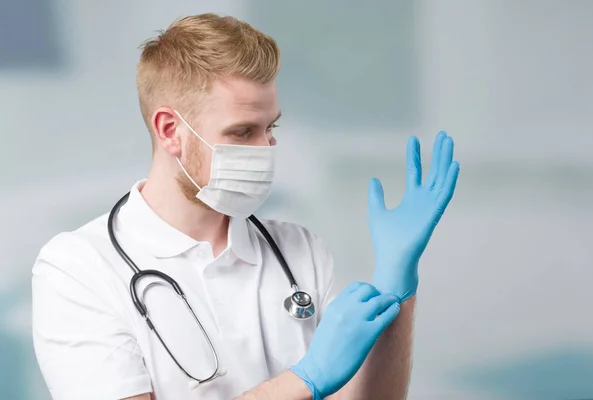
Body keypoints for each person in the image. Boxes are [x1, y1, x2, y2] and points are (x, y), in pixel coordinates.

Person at [31, 13, 459, 400]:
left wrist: (397, 285)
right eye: (242, 132)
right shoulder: (77, 269)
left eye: (270, 128)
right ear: (169, 131)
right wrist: (305, 379)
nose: (267, 149)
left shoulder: (299, 249)